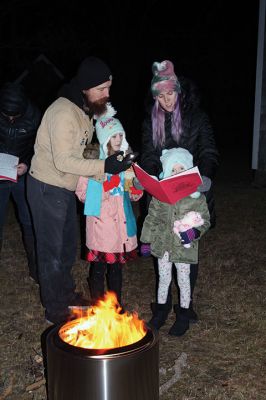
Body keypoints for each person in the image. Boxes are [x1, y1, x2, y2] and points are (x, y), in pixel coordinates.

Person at [27, 56, 134, 325]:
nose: (107, 95)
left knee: (66, 249)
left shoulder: (84, 108)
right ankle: (55, 310)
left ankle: (66, 295)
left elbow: (81, 150)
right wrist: (104, 165)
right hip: (47, 187)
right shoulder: (64, 112)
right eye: (102, 89)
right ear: (86, 87)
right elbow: (63, 160)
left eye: (109, 88)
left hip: (65, 187)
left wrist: (114, 157)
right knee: (52, 253)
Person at [139, 60, 219, 322]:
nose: (166, 100)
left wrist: (204, 176)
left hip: (191, 199)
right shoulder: (151, 121)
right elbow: (149, 154)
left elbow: (208, 150)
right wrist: (151, 176)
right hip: (163, 198)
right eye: (160, 96)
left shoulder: (198, 117)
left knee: (187, 248)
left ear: (179, 91)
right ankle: (163, 303)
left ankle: (187, 305)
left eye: (170, 93)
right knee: (163, 249)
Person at [75, 104, 142, 307]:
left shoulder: (127, 162)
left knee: (117, 269)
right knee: (98, 269)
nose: (118, 140)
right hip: (101, 226)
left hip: (120, 225)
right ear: (105, 138)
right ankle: (97, 305)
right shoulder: (92, 162)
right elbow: (83, 194)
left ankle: (116, 306)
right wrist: (106, 186)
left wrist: (137, 188)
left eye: (120, 135)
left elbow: (133, 196)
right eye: (114, 136)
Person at [140, 147, 210, 336]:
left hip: (183, 248)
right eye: (173, 170)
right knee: (163, 279)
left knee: (183, 280)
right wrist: (146, 241)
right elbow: (151, 219)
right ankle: (161, 312)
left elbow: (205, 220)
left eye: (181, 169)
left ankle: (184, 316)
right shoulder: (160, 198)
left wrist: (194, 232)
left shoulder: (197, 198)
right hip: (163, 246)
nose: (177, 173)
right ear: (167, 172)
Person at [0, 82, 41, 282]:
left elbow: (39, 147)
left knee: (28, 220)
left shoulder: (34, 117)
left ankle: (36, 268)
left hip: (21, 175)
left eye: (14, 116)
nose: (10, 119)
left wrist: (26, 162)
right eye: (6, 116)